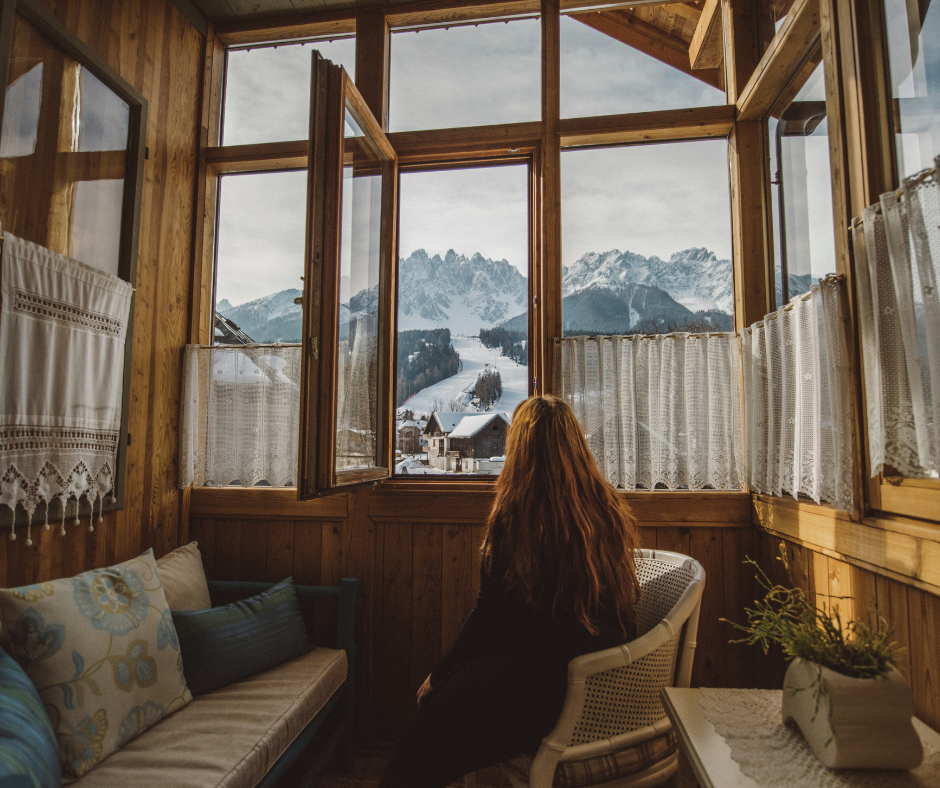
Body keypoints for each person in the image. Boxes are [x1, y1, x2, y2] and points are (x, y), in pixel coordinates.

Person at [379, 394, 642, 788]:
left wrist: (440, 675)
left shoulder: (515, 516)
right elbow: (620, 611)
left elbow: (489, 617)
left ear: (520, 449)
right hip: (598, 688)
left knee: (422, 740)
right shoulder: (605, 508)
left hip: (536, 690)